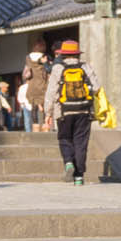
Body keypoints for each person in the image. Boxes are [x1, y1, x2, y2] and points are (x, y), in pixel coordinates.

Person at [45, 40, 101, 186]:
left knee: (65, 139)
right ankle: (79, 177)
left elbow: (51, 92)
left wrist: (48, 113)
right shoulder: (85, 66)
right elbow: (96, 87)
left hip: (63, 111)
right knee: (80, 142)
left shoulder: (57, 68)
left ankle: (69, 163)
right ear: (77, 53)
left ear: (63, 54)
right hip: (83, 110)